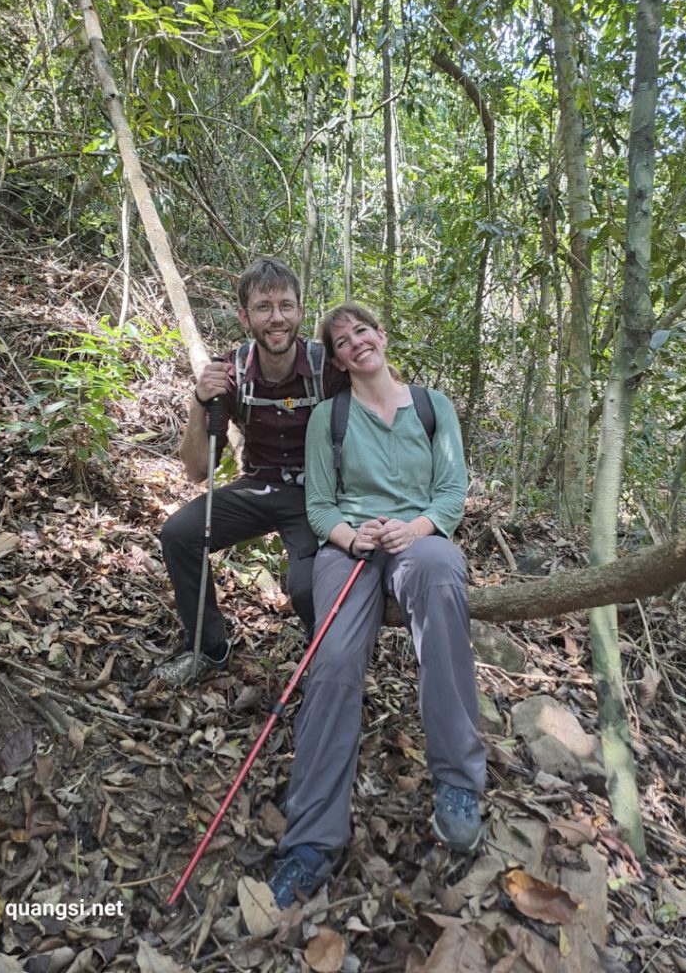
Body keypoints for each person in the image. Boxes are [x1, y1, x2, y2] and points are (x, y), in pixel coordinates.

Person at [267, 303, 487, 908]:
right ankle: (311, 842)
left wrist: (414, 531)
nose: (356, 343)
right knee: (334, 661)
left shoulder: (432, 406)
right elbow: (320, 507)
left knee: (442, 580)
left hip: (419, 542)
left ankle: (459, 786)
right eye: (342, 341)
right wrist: (351, 536)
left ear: (382, 336)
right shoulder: (328, 418)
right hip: (352, 549)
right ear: (337, 360)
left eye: (362, 331)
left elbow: (451, 495)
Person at [159, 257, 348, 682]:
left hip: (315, 496)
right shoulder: (233, 372)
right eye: (264, 307)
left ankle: (334, 669)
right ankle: (210, 647)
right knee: (179, 535)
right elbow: (196, 471)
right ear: (245, 315)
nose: (276, 318)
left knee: (307, 588)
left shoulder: (327, 368)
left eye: (286, 306)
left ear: (301, 310)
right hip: (258, 486)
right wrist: (199, 400)